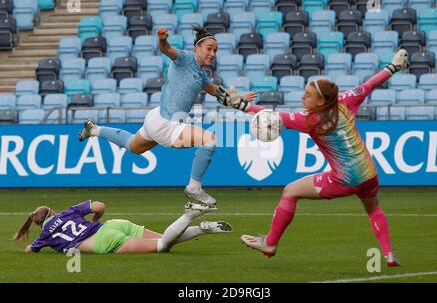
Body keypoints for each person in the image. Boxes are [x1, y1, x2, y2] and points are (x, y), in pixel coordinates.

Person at [218, 49, 410, 267]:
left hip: (344, 179)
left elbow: (270, 116)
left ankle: (270, 243)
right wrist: (393, 67)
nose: (302, 96)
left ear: (320, 101)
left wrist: (240, 105)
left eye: (308, 95)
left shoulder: (309, 120)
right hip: (369, 174)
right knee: (374, 209)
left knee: (290, 191)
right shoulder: (346, 101)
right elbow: (370, 84)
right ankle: (389, 255)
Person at [78, 26, 255, 207]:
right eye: (209, 48)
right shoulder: (185, 58)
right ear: (197, 47)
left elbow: (214, 91)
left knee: (133, 146)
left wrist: (237, 98)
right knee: (209, 140)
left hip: (155, 117)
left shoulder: (201, 74)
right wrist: (162, 39)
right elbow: (166, 50)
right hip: (167, 124)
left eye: (215, 50)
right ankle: (194, 187)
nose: (213, 53)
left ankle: (95, 130)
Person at [14, 200, 232, 254]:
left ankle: (191, 214)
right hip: (112, 225)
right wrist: (95, 221)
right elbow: (99, 205)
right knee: (168, 239)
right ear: (52, 211)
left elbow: (29, 250)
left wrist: (38, 244)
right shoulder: (69, 210)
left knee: (163, 245)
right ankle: (203, 228)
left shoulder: (45, 234)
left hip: (101, 242)